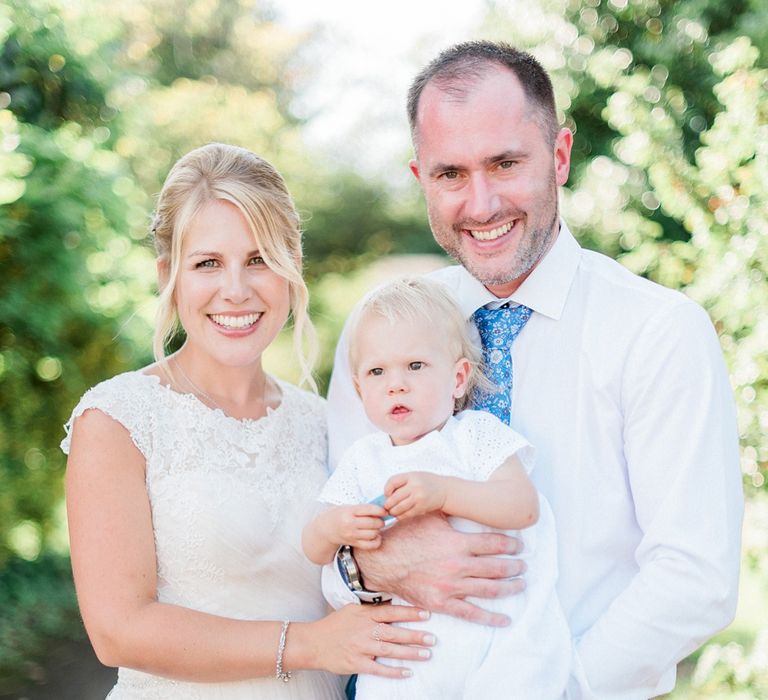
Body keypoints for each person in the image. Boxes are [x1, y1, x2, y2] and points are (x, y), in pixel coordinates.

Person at [324, 42, 744, 699]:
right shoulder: (383, 335)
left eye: (506, 163)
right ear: (420, 179)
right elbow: (334, 539)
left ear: (560, 155)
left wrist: (558, 687)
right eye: (451, 174)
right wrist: (366, 566)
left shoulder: (657, 332)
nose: (481, 202)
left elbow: (695, 576)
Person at [61, 143, 435, 699]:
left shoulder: (325, 420)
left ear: (291, 269)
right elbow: (119, 631)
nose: (235, 289)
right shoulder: (117, 420)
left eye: (259, 259)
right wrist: (310, 645)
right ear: (169, 274)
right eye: (208, 263)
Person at [304, 277, 570, 699]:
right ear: (359, 389)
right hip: (407, 662)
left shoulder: (476, 437)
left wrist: (446, 492)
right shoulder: (363, 460)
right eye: (377, 371)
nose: (396, 384)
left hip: (497, 645)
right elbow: (314, 547)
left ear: (458, 378)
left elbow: (523, 507)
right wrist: (336, 528)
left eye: (415, 366)